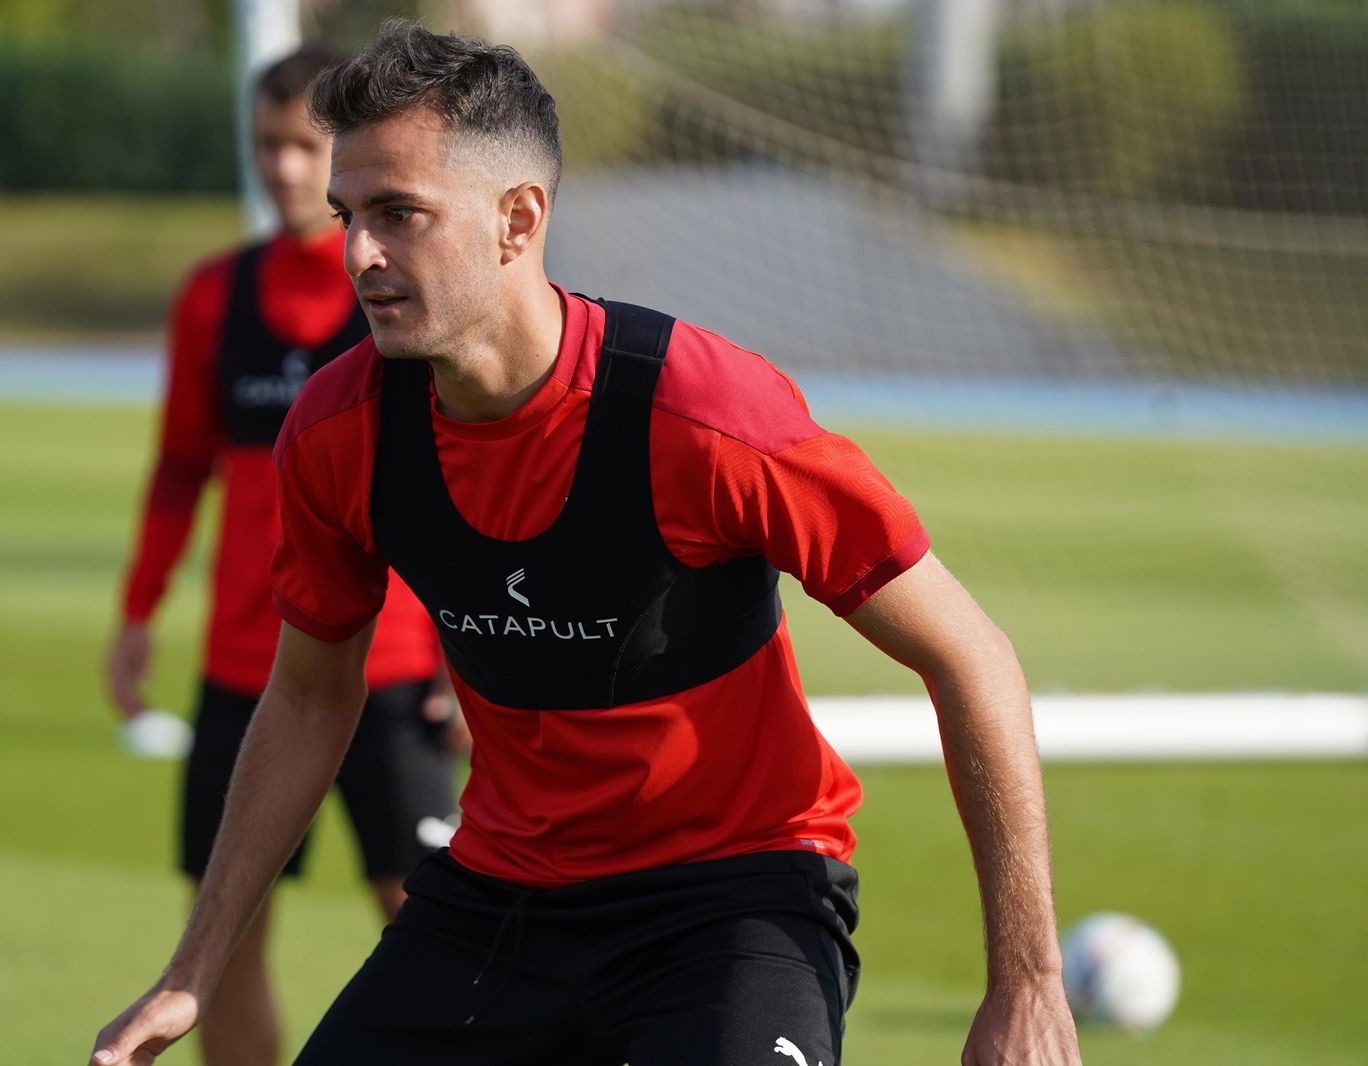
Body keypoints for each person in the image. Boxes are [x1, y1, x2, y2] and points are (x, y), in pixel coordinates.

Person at [91, 22, 1083, 1066]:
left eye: (398, 215)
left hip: (732, 902)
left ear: (517, 220)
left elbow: (968, 653)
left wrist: (1026, 982)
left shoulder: (705, 415)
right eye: (349, 216)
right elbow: (304, 695)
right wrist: (190, 971)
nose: (357, 254)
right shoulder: (338, 431)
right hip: (498, 901)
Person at [102, 43, 461, 1066]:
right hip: (245, 675)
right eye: (268, 146)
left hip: (392, 676)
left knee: (431, 933)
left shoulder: (409, 292)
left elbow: (462, 490)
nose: (286, 171)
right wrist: (136, 614)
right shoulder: (214, 298)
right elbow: (178, 468)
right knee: (223, 943)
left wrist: (465, 658)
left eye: (306, 148)